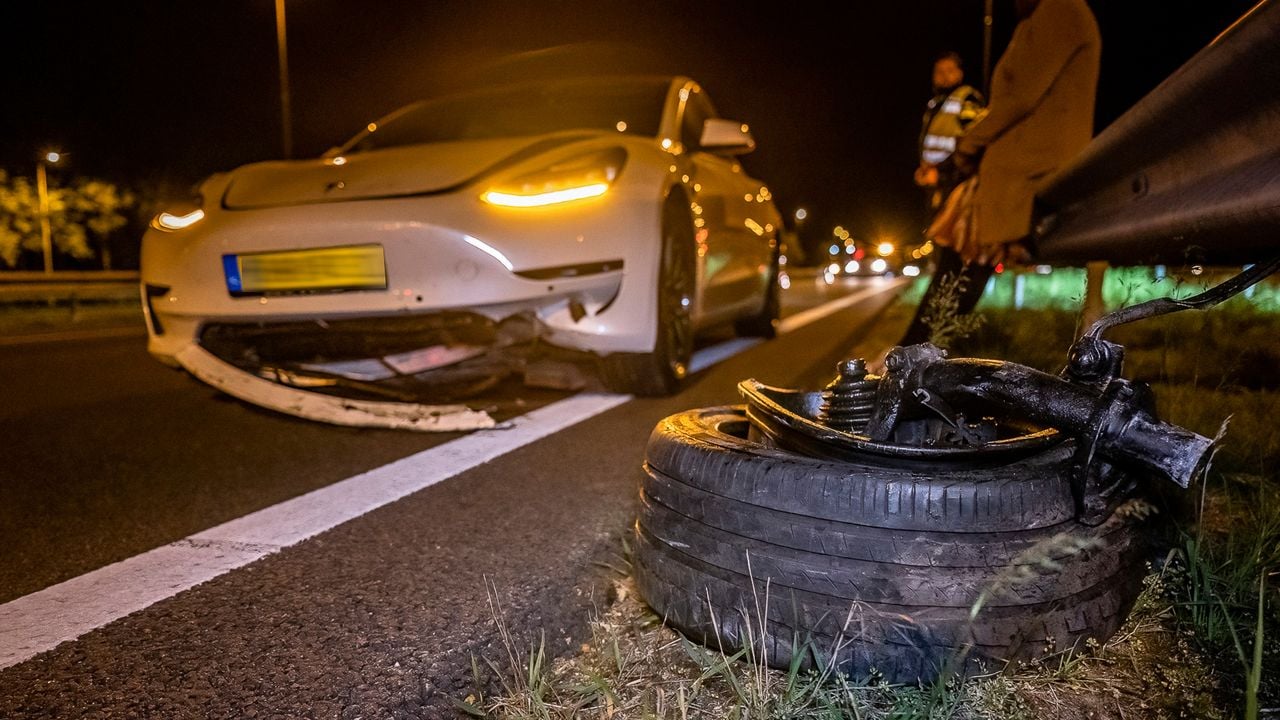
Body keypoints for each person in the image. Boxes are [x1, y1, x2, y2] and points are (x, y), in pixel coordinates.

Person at [894, 0, 1102, 350]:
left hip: (1023, 174)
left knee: (959, 269)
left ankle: (908, 359)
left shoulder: (1058, 9)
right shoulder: (1047, 15)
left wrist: (967, 147)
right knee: (957, 272)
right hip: (1011, 173)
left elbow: (1018, 98)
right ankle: (912, 356)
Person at [898, 52, 987, 346]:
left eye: (949, 70)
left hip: (959, 189)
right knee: (943, 264)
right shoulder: (935, 104)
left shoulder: (967, 99)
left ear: (960, 73)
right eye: (939, 71)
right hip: (941, 189)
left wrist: (944, 172)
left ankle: (934, 338)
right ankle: (929, 337)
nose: (943, 76)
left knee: (953, 264)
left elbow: (974, 141)